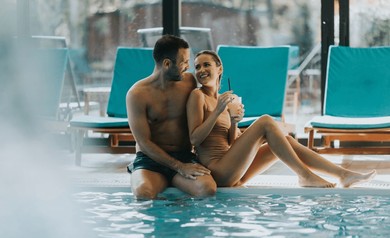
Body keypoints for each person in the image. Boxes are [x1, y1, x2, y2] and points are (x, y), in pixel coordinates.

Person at [186, 50, 376, 188]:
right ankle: (304, 175)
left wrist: (234, 121)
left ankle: (342, 174)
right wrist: (219, 111)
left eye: (206, 64)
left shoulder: (225, 99)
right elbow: (194, 139)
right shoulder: (198, 95)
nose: (201, 70)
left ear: (219, 69)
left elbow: (230, 142)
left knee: (286, 141)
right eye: (197, 66)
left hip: (235, 170)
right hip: (218, 172)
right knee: (266, 121)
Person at [126, 35, 217, 200]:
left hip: (184, 156)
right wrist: (179, 167)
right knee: (143, 193)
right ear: (167, 64)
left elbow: (212, 94)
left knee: (207, 190)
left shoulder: (189, 82)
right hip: (151, 161)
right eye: (184, 62)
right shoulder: (137, 94)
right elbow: (144, 143)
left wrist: (230, 110)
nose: (188, 67)